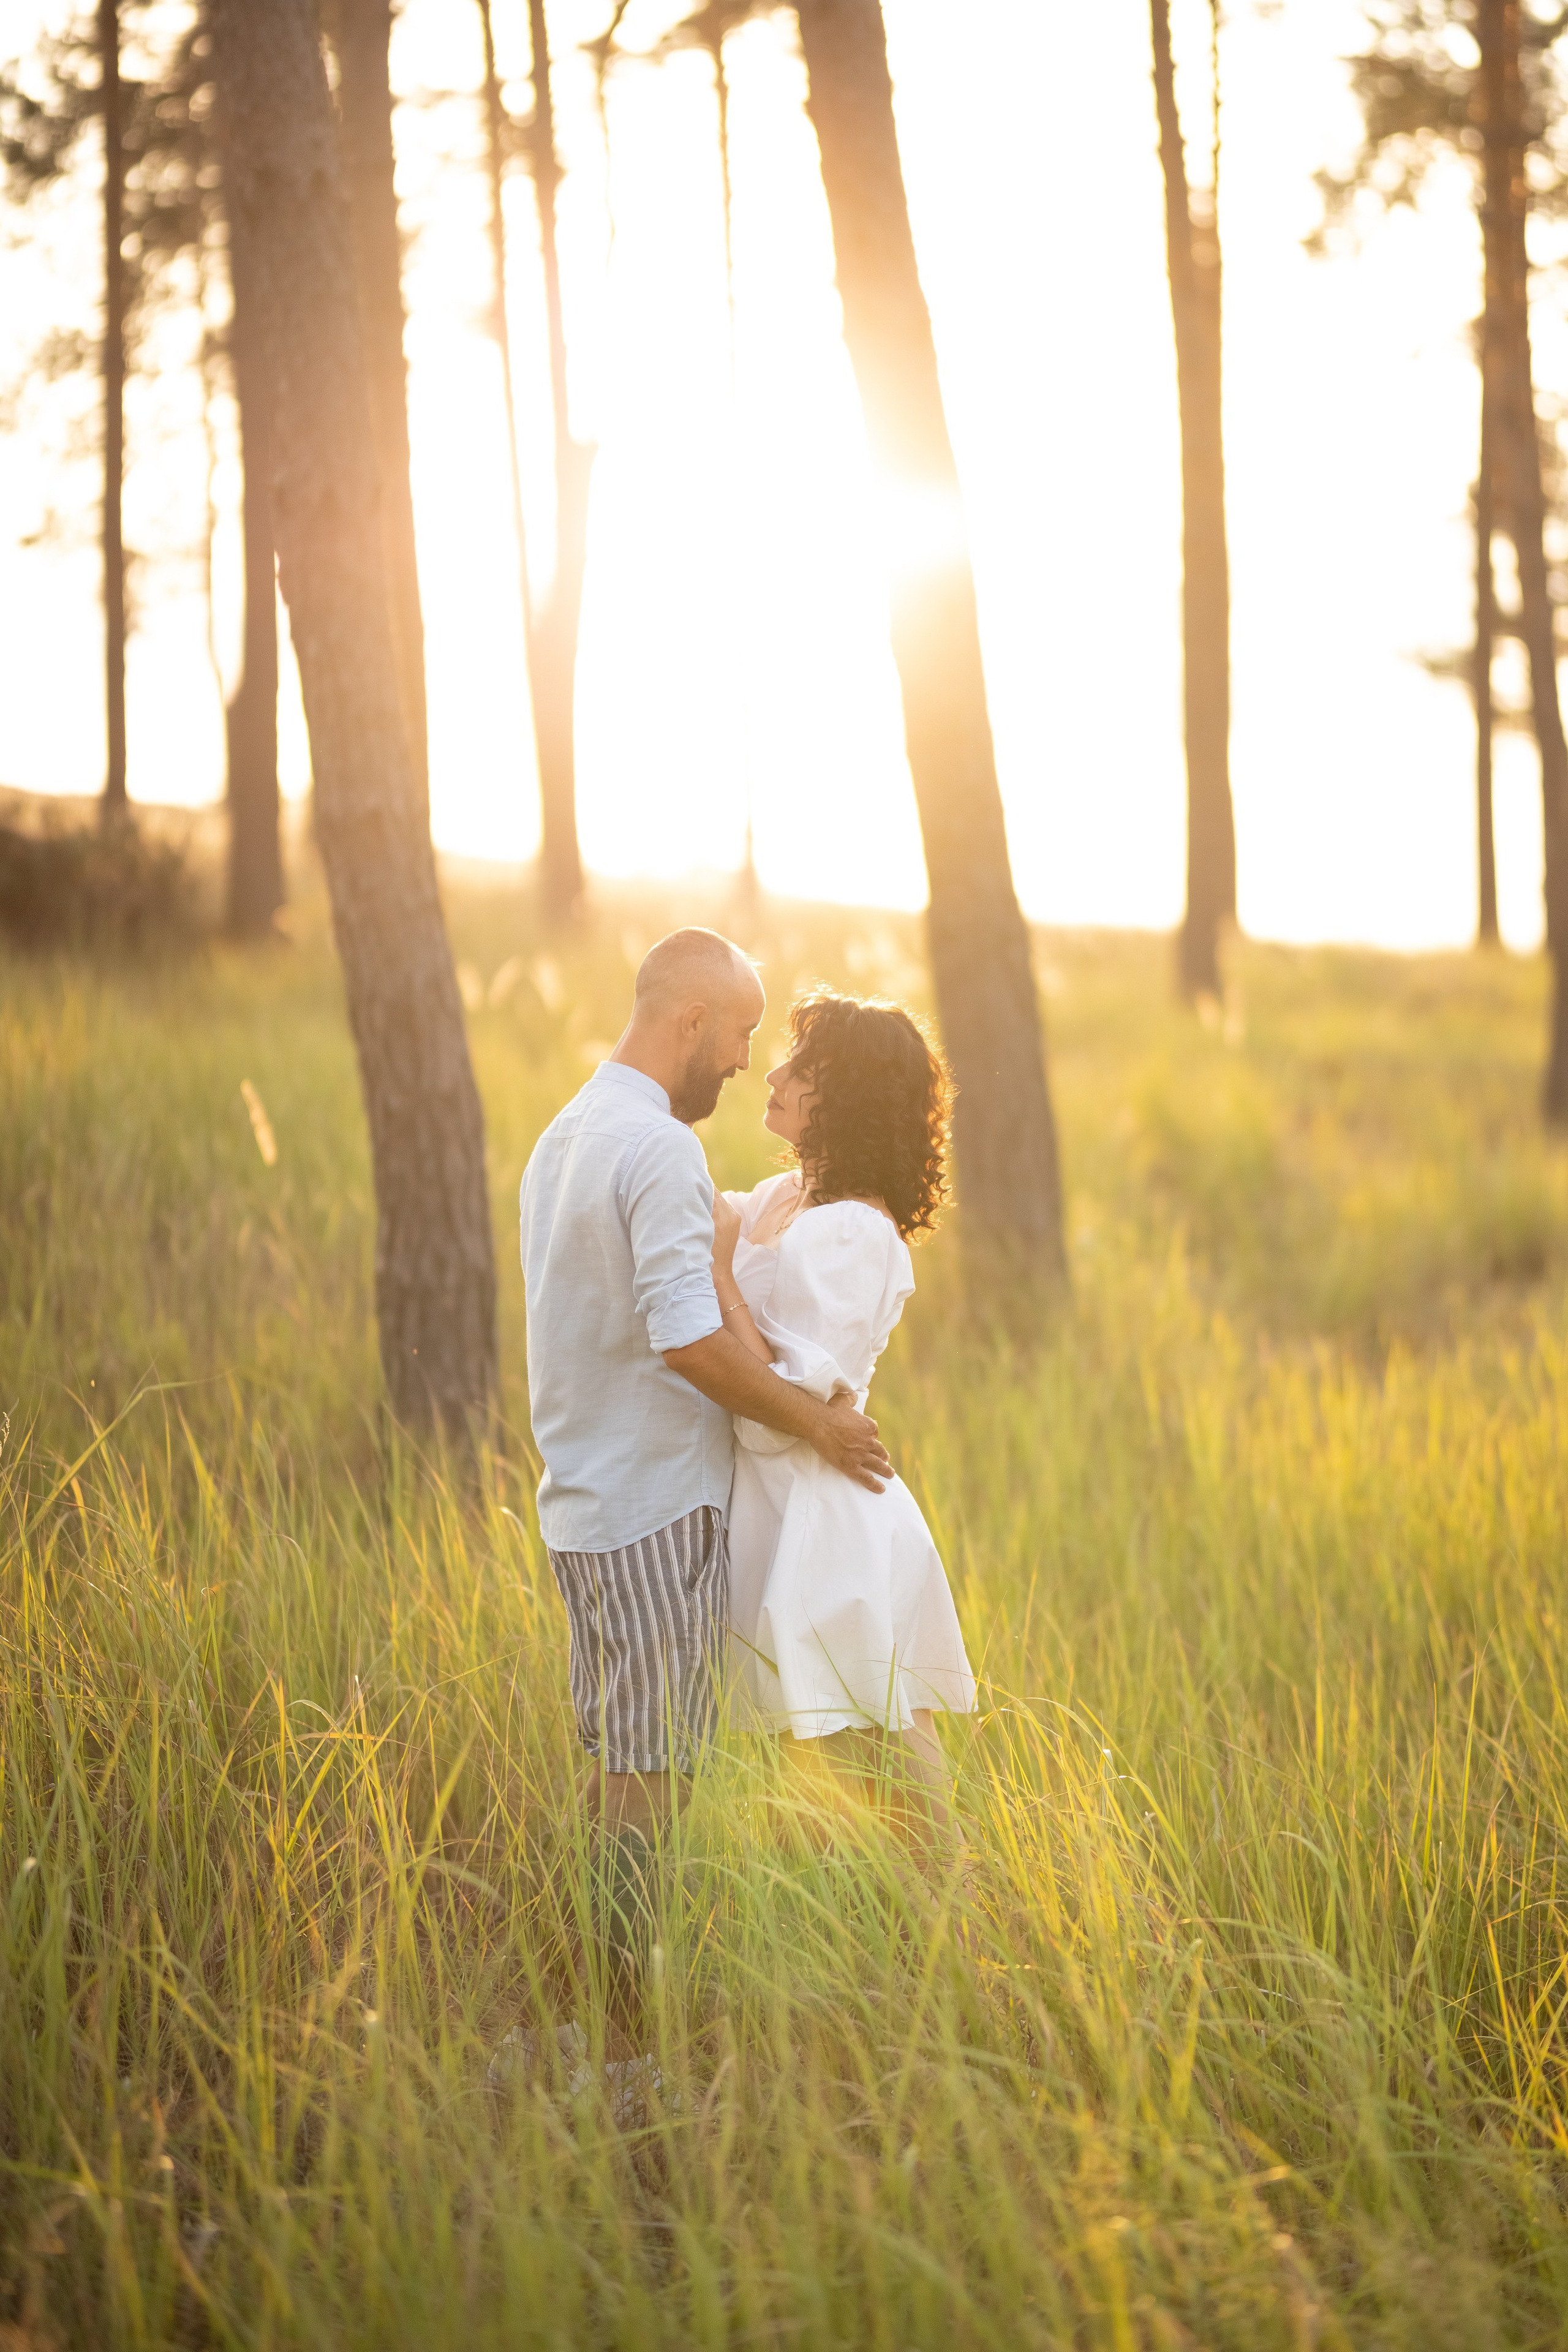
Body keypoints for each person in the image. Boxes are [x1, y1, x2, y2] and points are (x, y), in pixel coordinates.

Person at [518, 930, 894, 1872]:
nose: (743, 1061)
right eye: (738, 1033)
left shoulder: (563, 1135)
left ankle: (583, 1999)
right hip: (654, 1507)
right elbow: (687, 1342)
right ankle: (625, 2010)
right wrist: (822, 1425)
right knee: (655, 1777)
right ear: (691, 1021)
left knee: (617, 1762)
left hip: (581, 1504)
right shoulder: (659, 1147)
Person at [712, 990, 977, 1860]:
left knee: (895, 1787)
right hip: (778, 1509)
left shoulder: (858, 1232)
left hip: (827, 1520)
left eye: (805, 1071)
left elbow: (783, 1401)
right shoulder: (786, 1197)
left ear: (850, 1101)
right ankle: (903, 1964)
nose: (775, 1074)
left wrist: (717, 1274)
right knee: (826, 1794)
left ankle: (964, 1963)